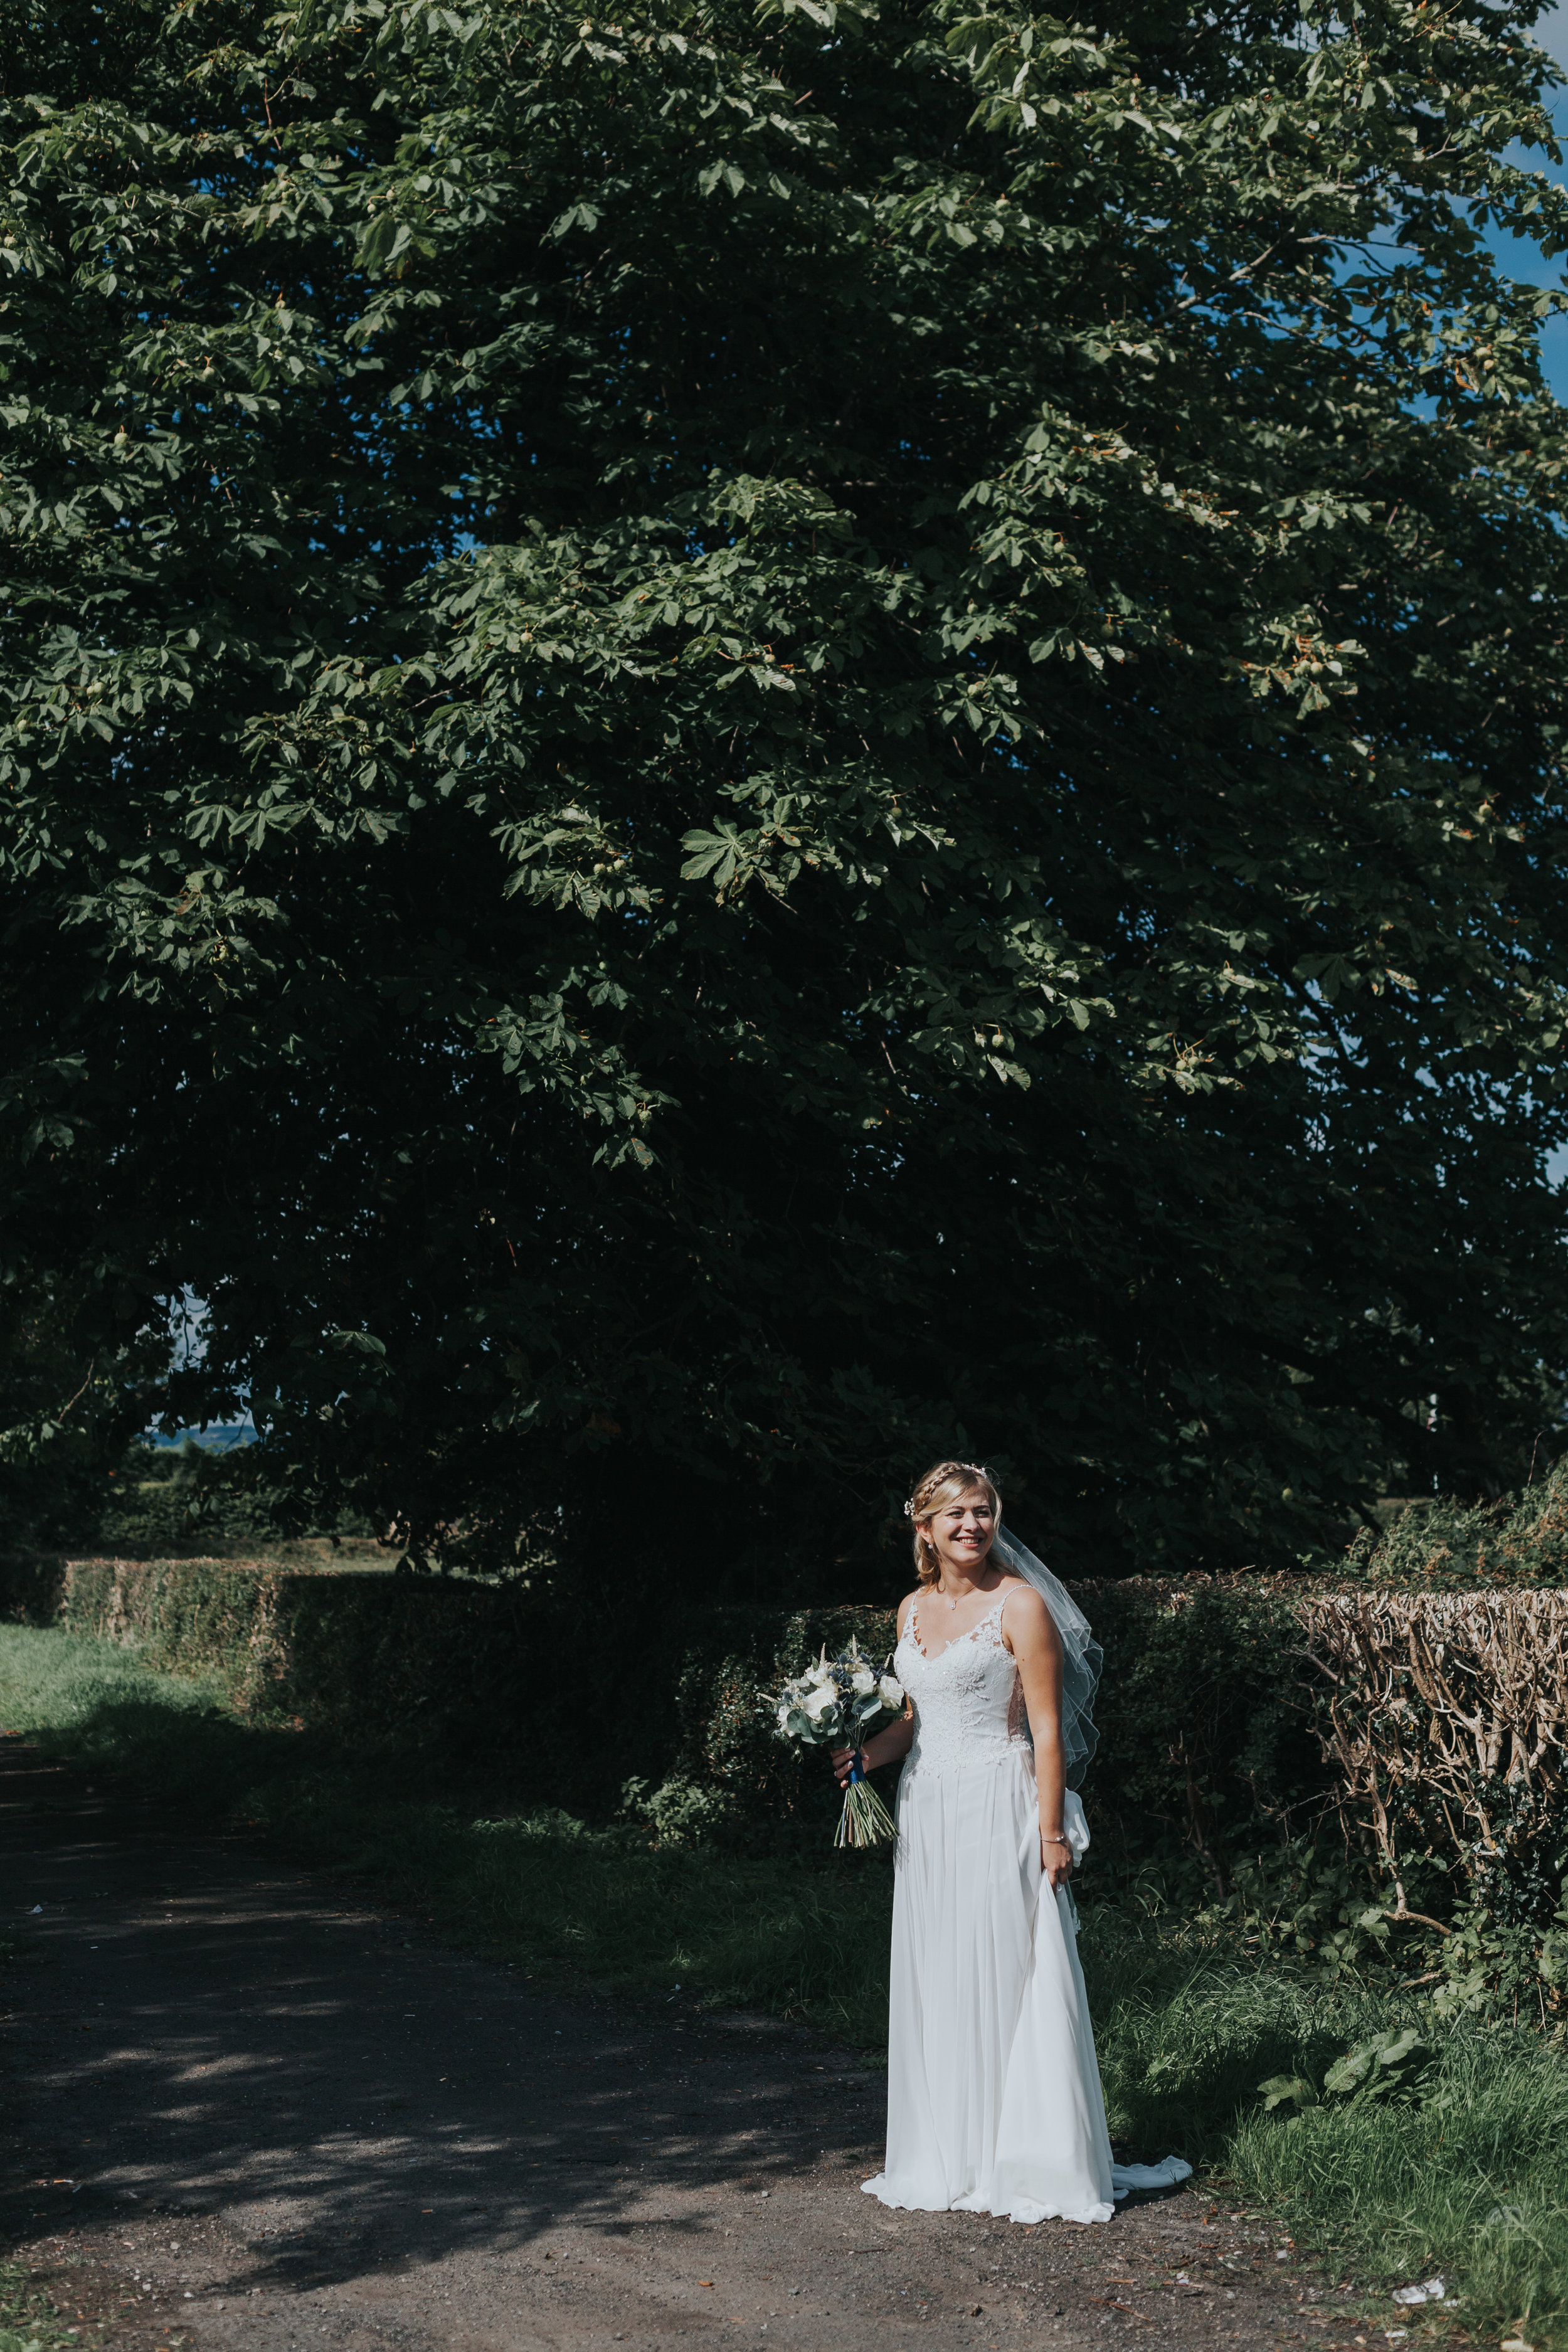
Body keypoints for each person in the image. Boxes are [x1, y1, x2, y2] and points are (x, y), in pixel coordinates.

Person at [833, 1458, 1188, 2225]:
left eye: (984, 1511)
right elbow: (917, 1719)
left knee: (1009, 1965)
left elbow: (1048, 1728)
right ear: (923, 1528)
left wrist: (1051, 1830)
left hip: (1000, 1800)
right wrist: (867, 1756)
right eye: (956, 1514)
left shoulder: (1020, 1606)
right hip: (927, 1806)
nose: (973, 1526)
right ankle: (949, 2154)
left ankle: (1023, 2153)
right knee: (941, 1968)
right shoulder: (910, 1610)